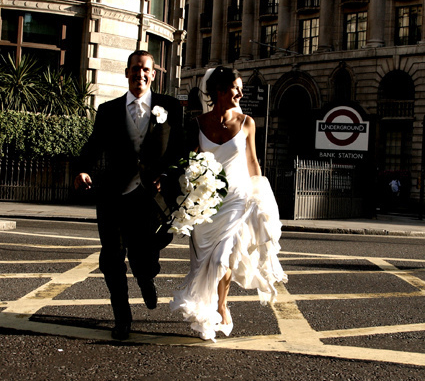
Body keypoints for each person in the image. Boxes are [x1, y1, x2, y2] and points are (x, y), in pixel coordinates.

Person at [170, 66, 287, 341]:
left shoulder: (247, 122)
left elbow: (253, 162)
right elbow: (190, 160)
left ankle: (220, 305)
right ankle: (206, 307)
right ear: (220, 91)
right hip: (207, 203)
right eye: (236, 87)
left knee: (224, 257)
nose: (241, 92)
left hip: (237, 199)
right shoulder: (198, 123)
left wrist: (261, 198)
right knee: (203, 263)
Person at [74, 50, 183, 340]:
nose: (140, 74)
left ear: (153, 74)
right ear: (127, 73)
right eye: (135, 69)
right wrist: (82, 169)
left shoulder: (170, 107)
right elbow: (94, 145)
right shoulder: (109, 110)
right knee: (111, 258)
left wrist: (167, 174)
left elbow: (179, 150)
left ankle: (146, 279)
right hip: (114, 194)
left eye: (146, 69)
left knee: (143, 258)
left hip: (150, 197)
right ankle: (122, 317)